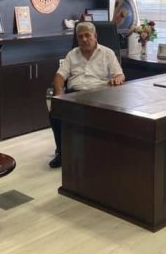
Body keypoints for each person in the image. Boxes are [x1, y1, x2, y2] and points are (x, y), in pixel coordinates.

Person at [48, 22, 125, 168]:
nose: (84, 39)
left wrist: (117, 79)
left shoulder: (107, 53)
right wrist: (59, 94)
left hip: (99, 96)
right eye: (80, 37)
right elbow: (60, 76)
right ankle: (62, 153)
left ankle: (95, 153)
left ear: (95, 36)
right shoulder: (72, 54)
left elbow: (120, 75)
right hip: (74, 95)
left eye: (87, 35)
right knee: (55, 113)